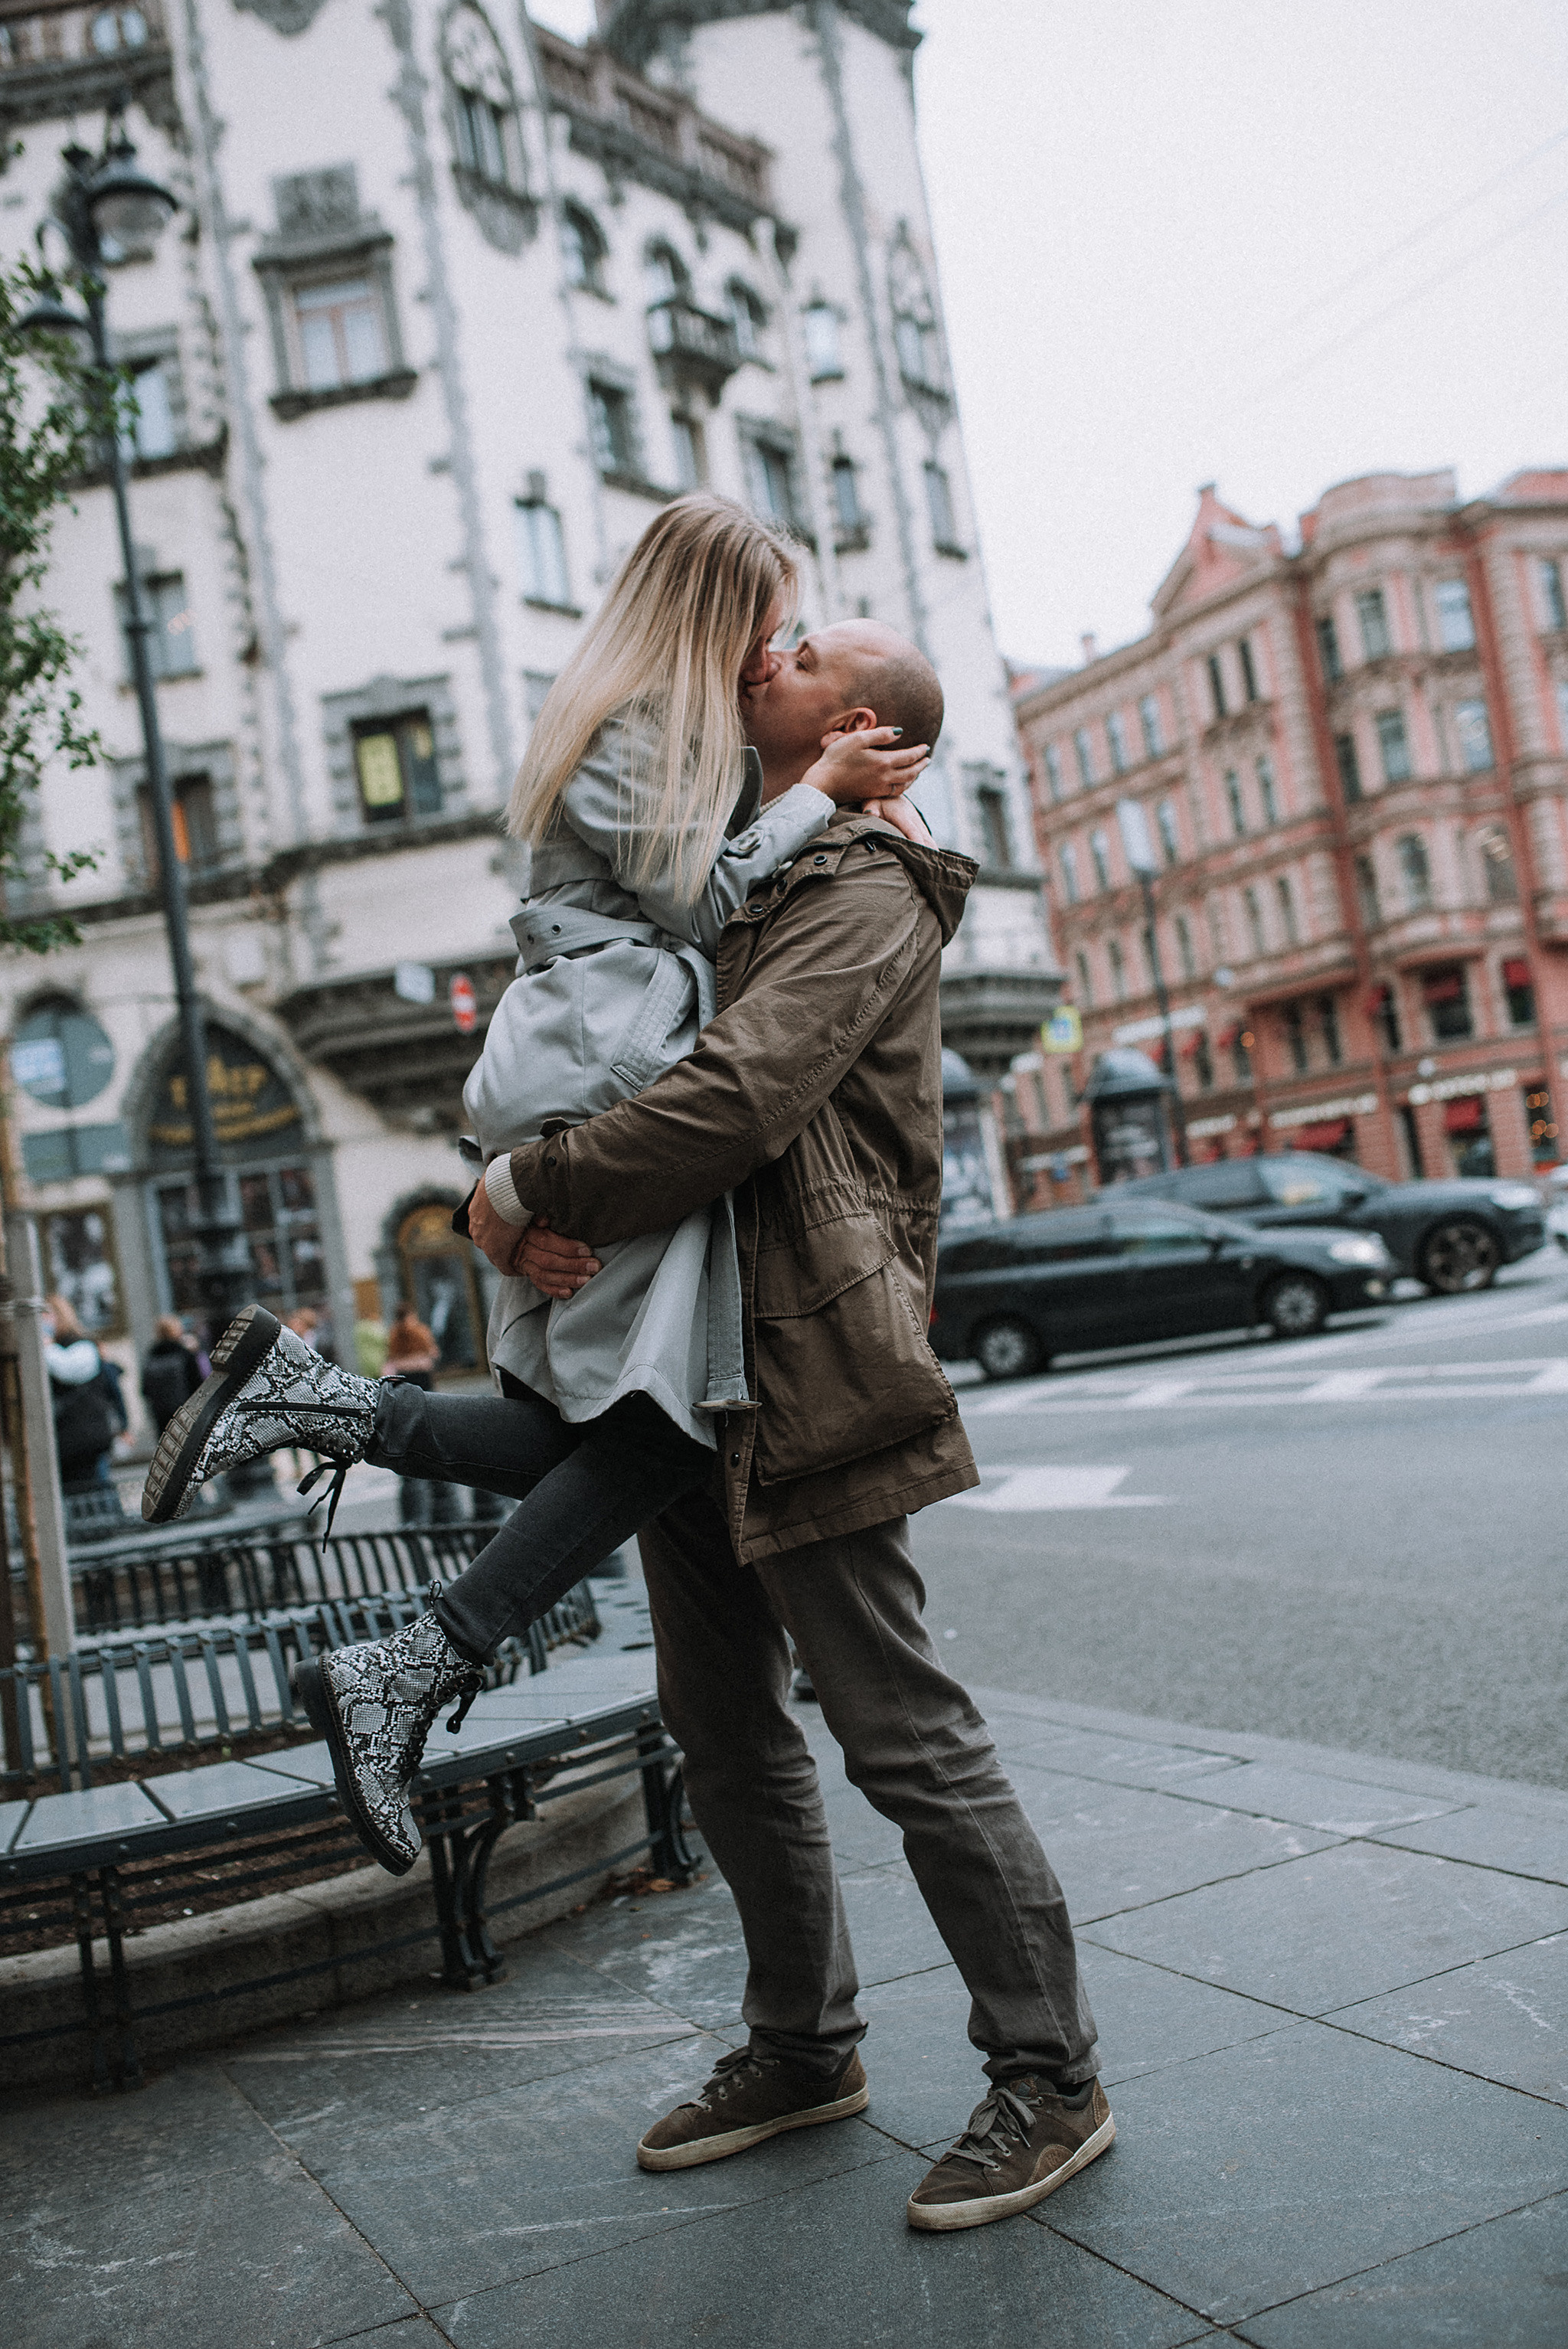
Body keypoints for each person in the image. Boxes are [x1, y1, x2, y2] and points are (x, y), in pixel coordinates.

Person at [139, 495, 928, 1878]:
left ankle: (319, 1422)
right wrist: (821, 793)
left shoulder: (675, 731)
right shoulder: (632, 724)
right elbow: (703, 904)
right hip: (606, 1069)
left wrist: (835, 797)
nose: (772, 653)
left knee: (614, 1417)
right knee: (673, 1427)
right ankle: (404, 1636)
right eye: (770, 628)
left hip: (605, 1061)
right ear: (708, 612)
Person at [44, 1294, 125, 1489]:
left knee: (94, 1491)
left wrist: (45, 1346)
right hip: (67, 1441)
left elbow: (66, 1370)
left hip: (86, 1438)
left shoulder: (81, 1347)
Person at [141, 1313, 207, 1439]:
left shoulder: (151, 1357)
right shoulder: (184, 1354)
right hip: (186, 1413)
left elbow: (145, 1390)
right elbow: (199, 1385)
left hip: (161, 1416)